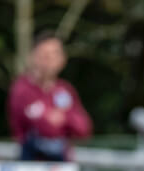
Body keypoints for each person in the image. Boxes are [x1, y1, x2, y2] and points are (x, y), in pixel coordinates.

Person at [7, 32, 90, 162]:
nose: (50, 60)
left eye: (55, 54)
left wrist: (64, 118)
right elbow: (47, 128)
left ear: (63, 59)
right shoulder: (22, 89)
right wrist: (62, 119)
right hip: (32, 168)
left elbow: (83, 128)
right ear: (32, 57)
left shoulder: (65, 90)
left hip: (61, 167)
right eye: (44, 55)